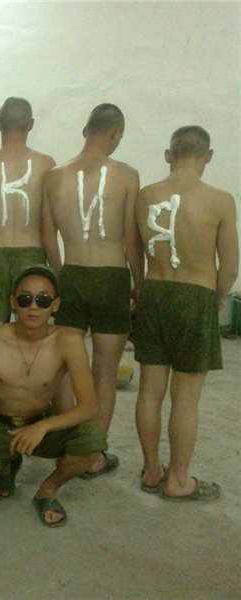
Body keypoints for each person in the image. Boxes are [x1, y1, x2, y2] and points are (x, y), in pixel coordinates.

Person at [0, 265, 106, 527]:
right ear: (13, 302)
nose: (33, 306)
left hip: (40, 424)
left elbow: (88, 407)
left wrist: (43, 426)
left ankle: (47, 491)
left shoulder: (68, 342)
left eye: (43, 300)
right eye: (25, 299)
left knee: (92, 442)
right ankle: (7, 463)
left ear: (55, 305)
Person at [133, 126, 238, 501]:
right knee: (186, 398)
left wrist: (140, 288)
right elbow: (230, 266)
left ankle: (151, 471)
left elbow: (136, 250)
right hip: (196, 294)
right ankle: (178, 481)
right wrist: (218, 297)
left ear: (168, 154)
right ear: (208, 156)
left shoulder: (146, 195)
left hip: (155, 291)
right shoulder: (220, 200)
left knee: (149, 391)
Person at [41, 103, 143, 477]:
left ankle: (69, 442)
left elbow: (47, 236)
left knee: (66, 367)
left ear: (86, 130)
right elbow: (130, 239)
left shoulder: (55, 176)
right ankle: (93, 456)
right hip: (111, 276)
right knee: (104, 372)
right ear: (115, 133)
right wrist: (140, 281)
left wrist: (60, 276)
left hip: (72, 273)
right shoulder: (126, 175)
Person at [0, 97, 55, 333]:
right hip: (32, 255)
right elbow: (49, 224)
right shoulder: (47, 164)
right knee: (32, 339)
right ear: (31, 124)